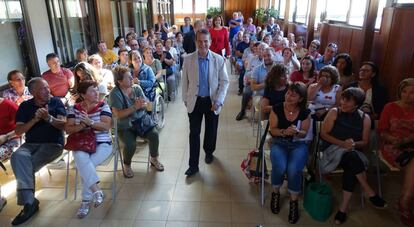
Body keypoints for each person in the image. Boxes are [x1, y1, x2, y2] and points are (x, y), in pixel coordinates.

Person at [320, 87, 387, 225]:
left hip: (353, 152)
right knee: (352, 160)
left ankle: (343, 209)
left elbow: (365, 142)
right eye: (343, 99)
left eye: (347, 101)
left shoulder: (365, 118)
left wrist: (353, 144)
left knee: (351, 161)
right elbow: (324, 134)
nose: (343, 102)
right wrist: (343, 144)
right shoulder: (335, 112)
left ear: (356, 104)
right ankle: (368, 191)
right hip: (333, 150)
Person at [10, 78, 66, 225]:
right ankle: (30, 202)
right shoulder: (25, 106)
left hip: (53, 145)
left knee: (24, 166)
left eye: (48, 87)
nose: (48, 90)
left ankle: (29, 205)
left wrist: (48, 117)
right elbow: (18, 130)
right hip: (30, 145)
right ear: (34, 92)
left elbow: (63, 125)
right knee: (17, 156)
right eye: (43, 89)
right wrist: (35, 120)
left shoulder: (56, 103)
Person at [182, 29, 229, 176]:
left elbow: (225, 82)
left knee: (211, 130)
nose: (203, 44)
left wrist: (219, 101)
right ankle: (193, 165)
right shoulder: (188, 59)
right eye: (200, 41)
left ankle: (209, 151)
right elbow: (184, 82)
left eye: (205, 41)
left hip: (212, 101)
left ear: (210, 42)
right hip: (195, 101)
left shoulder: (219, 60)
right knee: (194, 133)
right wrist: (185, 99)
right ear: (196, 42)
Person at [65, 80, 112, 218]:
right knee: (81, 158)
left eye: (97, 89)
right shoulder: (74, 108)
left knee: (84, 165)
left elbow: (106, 127)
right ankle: (96, 191)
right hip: (83, 143)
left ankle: (86, 200)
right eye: (92, 90)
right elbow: (68, 129)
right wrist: (82, 126)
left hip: (103, 144)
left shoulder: (103, 106)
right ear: (83, 94)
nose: (97, 92)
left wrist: (90, 122)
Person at [109, 66, 164, 178]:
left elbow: (145, 105)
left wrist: (145, 104)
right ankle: (127, 165)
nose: (132, 78)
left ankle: (153, 158)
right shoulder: (115, 94)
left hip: (141, 121)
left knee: (154, 135)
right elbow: (118, 115)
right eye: (128, 77)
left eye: (131, 76)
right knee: (131, 144)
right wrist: (135, 107)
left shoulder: (136, 88)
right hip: (125, 126)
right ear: (119, 81)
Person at [269, 82, 311, 224]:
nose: (289, 96)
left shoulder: (305, 112)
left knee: (293, 169)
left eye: (294, 95)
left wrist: (298, 132)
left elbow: (304, 133)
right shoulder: (277, 108)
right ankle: (275, 192)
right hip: (279, 143)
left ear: (300, 98)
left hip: (298, 145)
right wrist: (284, 132)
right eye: (288, 93)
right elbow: (272, 130)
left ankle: (294, 202)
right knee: (280, 167)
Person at [378, 78, 414, 227]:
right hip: (393, 145)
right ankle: (405, 202)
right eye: (404, 91)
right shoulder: (390, 107)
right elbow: (381, 131)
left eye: (412, 93)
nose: (407, 95)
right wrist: (394, 139)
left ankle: (404, 200)